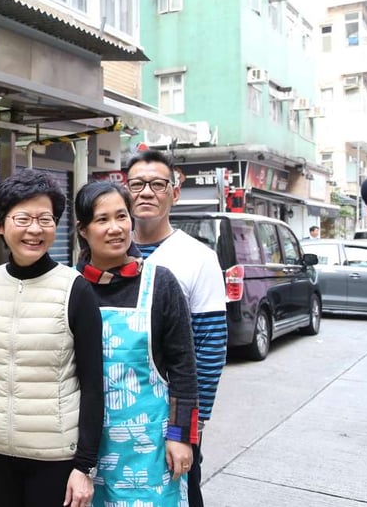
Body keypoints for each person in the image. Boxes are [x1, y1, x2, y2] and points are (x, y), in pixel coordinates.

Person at [0, 170, 103, 507]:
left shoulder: (76, 289)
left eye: (45, 219)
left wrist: (84, 465)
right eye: (23, 218)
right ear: (0, 225)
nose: (35, 229)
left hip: (54, 455)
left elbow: (92, 384)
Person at [73, 180, 198, 507]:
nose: (115, 228)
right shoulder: (69, 286)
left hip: (150, 450)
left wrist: (181, 437)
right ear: (83, 230)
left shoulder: (161, 282)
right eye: (102, 220)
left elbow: (184, 369)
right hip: (84, 447)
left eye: (122, 217)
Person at [126, 149, 227, 507]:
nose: (147, 192)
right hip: (117, 413)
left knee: (180, 491)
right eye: (137, 184)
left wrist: (190, 425)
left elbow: (211, 344)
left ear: (175, 192)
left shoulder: (197, 257)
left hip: (172, 412)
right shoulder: (104, 251)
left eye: (157, 184)